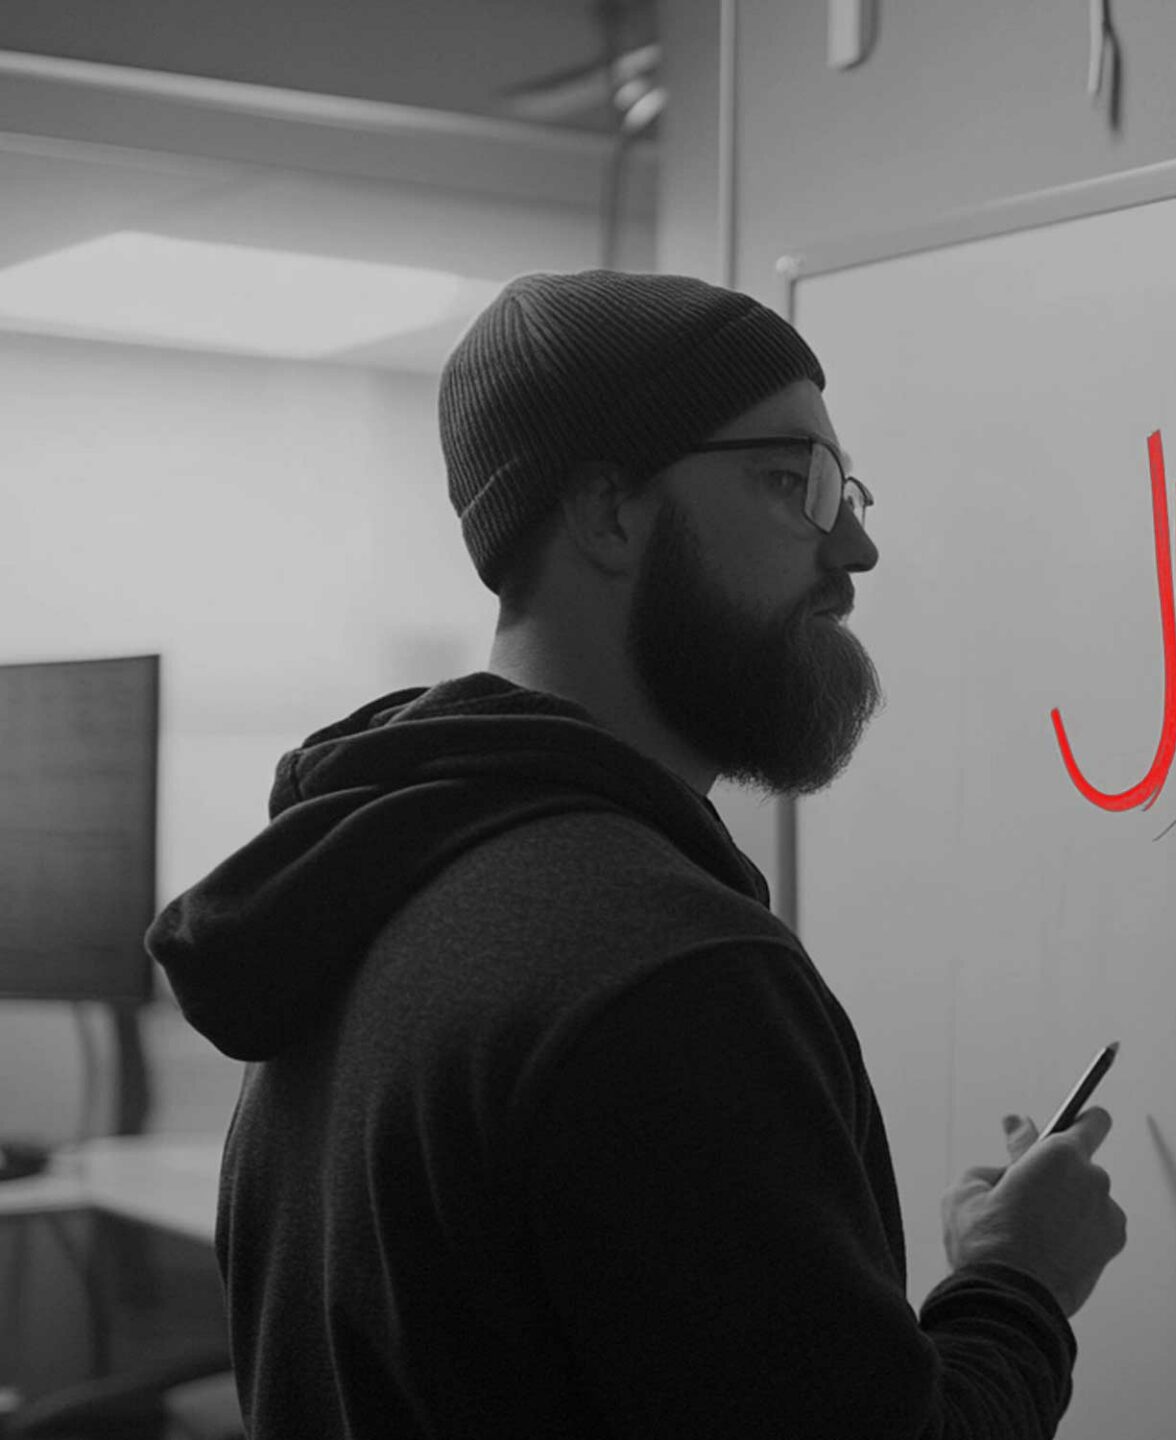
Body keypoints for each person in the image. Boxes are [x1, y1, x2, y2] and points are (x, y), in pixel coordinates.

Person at [146, 270, 1126, 1437]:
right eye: (794, 482)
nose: (854, 546)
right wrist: (1019, 1286)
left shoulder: (359, 886)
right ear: (610, 511)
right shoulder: (669, 975)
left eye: (844, 487)